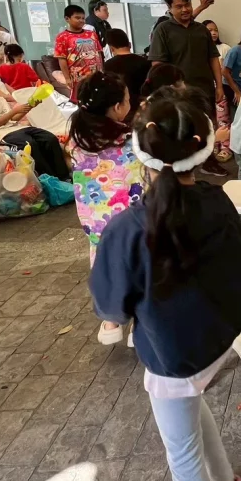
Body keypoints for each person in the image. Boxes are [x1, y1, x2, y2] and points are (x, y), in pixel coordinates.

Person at [89, 86, 241, 481]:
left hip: (173, 358)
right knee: (191, 408)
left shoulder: (126, 229)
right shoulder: (219, 202)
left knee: (182, 452)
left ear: (140, 150)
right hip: (219, 338)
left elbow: (111, 308)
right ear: (203, 145)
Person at [67, 72, 143, 346]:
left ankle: (111, 321)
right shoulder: (130, 139)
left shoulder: (77, 139)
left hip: (97, 224)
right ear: (117, 107)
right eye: (127, 100)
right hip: (132, 222)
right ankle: (138, 325)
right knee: (138, 270)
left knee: (107, 270)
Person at [148, 0, 227, 177]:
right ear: (169, 8)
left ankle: (209, 162)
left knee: (208, 127)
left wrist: (219, 86)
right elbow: (158, 64)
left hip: (204, 90)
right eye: (179, 6)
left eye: (187, 5)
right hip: (177, 94)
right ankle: (182, 170)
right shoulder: (163, 30)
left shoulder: (201, 30)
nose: (185, 9)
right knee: (181, 131)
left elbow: (213, 59)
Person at [0, 66, 71, 182]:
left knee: (49, 138)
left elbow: (13, 119)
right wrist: (14, 111)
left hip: (17, 129)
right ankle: (48, 180)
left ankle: (64, 176)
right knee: (30, 144)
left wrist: (30, 106)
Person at [55, 4, 104, 102]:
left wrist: (102, 71)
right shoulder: (62, 37)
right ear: (67, 18)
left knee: (99, 100)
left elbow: (98, 53)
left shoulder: (91, 34)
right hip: (78, 78)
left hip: (96, 76)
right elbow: (62, 59)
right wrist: (67, 78)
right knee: (81, 101)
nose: (81, 20)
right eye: (77, 18)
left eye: (83, 18)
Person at [201, 20, 233, 161]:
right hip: (205, 90)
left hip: (221, 89)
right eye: (210, 30)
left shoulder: (224, 48)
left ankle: (226, 147)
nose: (213, 33)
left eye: (215, 30)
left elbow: (229, 70)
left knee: (223, 119)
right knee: (209, 120)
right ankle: (213, 145)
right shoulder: (199, 49)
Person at [104, 28, 152, 120]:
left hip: (122, 111)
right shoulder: (144, 62)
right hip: (143, 108)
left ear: (111, 48)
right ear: (129, 44)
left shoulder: (108, 65)